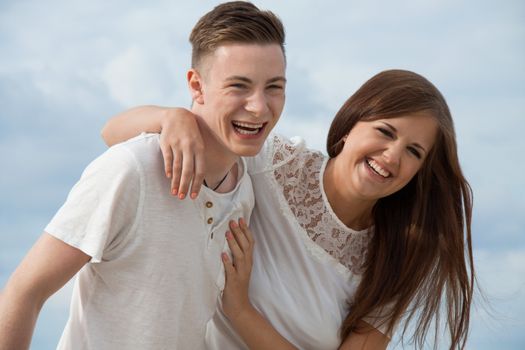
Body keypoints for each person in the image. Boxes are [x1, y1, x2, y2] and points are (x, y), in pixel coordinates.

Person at [102, 69, 475, 349]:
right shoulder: (273, 165)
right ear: (350, 125)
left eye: (414, 152)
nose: (392, 156)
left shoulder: (400, 256)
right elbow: (113, 133)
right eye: (385, 132)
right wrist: (174, 118)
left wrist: (240, 310)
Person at [0, 2, 287, 349]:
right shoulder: (131, 169)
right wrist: (170, 116)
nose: (259, 106)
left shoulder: (244, 189)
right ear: (197, 86)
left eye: (274, 87)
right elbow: (25, 291)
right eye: (239, 86)